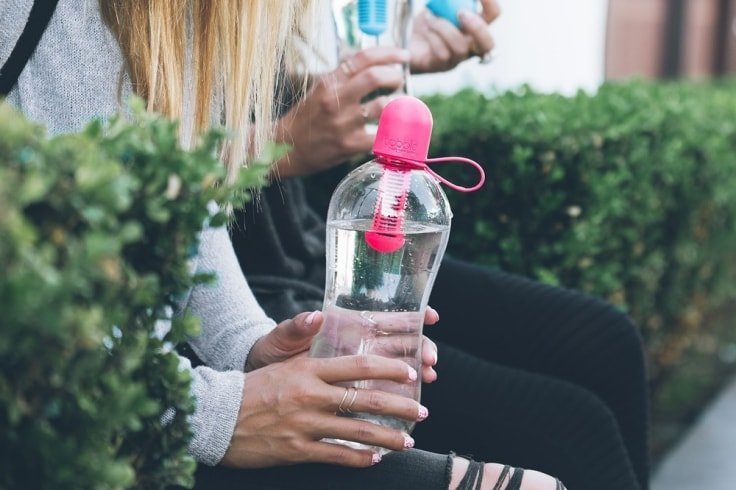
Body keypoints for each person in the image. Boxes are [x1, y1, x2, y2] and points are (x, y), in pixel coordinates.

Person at [1, 0, 564, 488]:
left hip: (163, 389)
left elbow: (181, 197)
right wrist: (223, 414)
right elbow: (40, 330)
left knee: (575, 411)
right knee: (555, 439)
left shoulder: (197, 19)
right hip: (78, 427)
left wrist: (250, 347)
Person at [228, 1, 651, 489]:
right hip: (258, 286)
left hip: (302, 245)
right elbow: (157, 161)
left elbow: (252, 98)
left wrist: (388, 62)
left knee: (606, 340)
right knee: (574, 428)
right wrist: (274, 145)